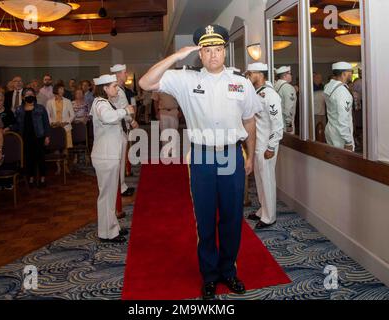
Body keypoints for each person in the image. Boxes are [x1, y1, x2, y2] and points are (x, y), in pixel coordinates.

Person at [139, 24, 261, 300]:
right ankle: (209, 275)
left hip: (232, 154)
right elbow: (146, 83)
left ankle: (229, 271)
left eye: (218, 50)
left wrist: (250, 155)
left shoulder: (241, 82)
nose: (213, 55)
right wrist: (176, 56)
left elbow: (250, 122)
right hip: (202, 156)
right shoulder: (185, 79)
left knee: (231, 218)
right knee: (205, 220)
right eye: (207, 50)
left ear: (225, 52)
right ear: (200, 54)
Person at [90, 74, 134, 243]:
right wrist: (125, 111)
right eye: (114, 86)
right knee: (106, 196)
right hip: (105, 156)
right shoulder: (100, 103)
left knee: (108, 195)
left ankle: (111, 228)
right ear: (105, 89)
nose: (116, 89)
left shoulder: (106, 103)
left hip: (108, 155)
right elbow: (107, 118)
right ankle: (107, 232)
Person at [245, 63, 284, 229]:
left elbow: (278, 124)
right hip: (258, 144)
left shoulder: (270, 95)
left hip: (267, 144)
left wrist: (271, 147)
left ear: (259, 74)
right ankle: (263, 210)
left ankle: (270, 217)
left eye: (250, 73)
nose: (248, 75)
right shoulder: (257, 93)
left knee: (267, 180)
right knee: (260, 180)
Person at [110, 64, 139, 196]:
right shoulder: (116, 90)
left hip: (121, 126)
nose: (126, 74)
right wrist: (132, 121)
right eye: (124, 72)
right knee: (120, 159)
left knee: (122, 158)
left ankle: (122, 185)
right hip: (119, 127)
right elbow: (122, 110)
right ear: (118, 74)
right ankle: (120, 188)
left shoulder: (120, 89)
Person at [13, 88, 51, 187]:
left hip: (39, 136)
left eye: (31, 94)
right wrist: (8, 128)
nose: (29, 96)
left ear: (34, 96)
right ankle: (31, 177)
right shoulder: (18, 109)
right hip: (25, 138)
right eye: (27, 95)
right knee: (28, 159)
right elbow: (16, 124)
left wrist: (47, 136)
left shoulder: (41, 108)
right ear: (23, 97)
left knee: (40, 158)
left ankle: (42, 177)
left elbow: (46, 123)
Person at [324, 62, 355, 151]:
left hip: (331, 128)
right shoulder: (342, 92)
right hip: (340, 135)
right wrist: (348, 141)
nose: (351, 74)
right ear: (344, 74)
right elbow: (343, 118)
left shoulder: (329, 86)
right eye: (350, 72)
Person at [46, 83, 75, 174]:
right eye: (61, 89)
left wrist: (66, 122)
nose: (63, 90)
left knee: (66, 148)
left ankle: (65, 166)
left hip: (65, 127)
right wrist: (53, 123)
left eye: (63, 89)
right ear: (56, 90)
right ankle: (58, 167)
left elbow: (73, 115)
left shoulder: (68, 101)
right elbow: (47, 115)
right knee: (57, 148)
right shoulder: (49, 102)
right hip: (55, 128)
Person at [152, 91, 180, 156]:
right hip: (163, 112)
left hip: (174, 112)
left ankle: (173, 151)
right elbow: (155, 101)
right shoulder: (158, 87)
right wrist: (156, 113)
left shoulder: (175, 86)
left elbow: (180, 100)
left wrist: (180, 112)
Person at [274, 66, 297, 133]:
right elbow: (289, 107)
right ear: (285, 76)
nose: (291, 76)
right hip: (285, 122)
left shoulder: (275, 85)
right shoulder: (288, 87)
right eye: (290, 74)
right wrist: (289, 124)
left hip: (276, 121)